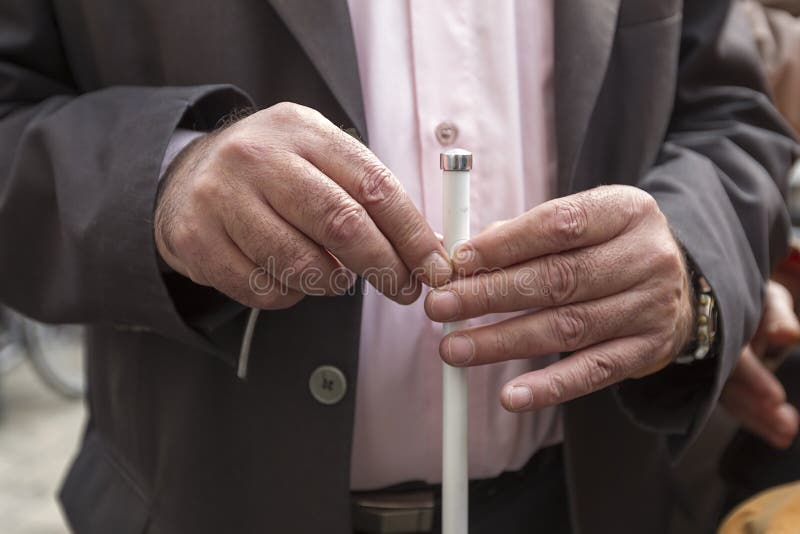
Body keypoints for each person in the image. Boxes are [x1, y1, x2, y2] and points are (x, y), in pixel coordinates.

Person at [0, 1, 796, 534]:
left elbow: (729, 114)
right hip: (211, 498)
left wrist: (691, 262)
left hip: (594, 501)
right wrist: (163, 176)